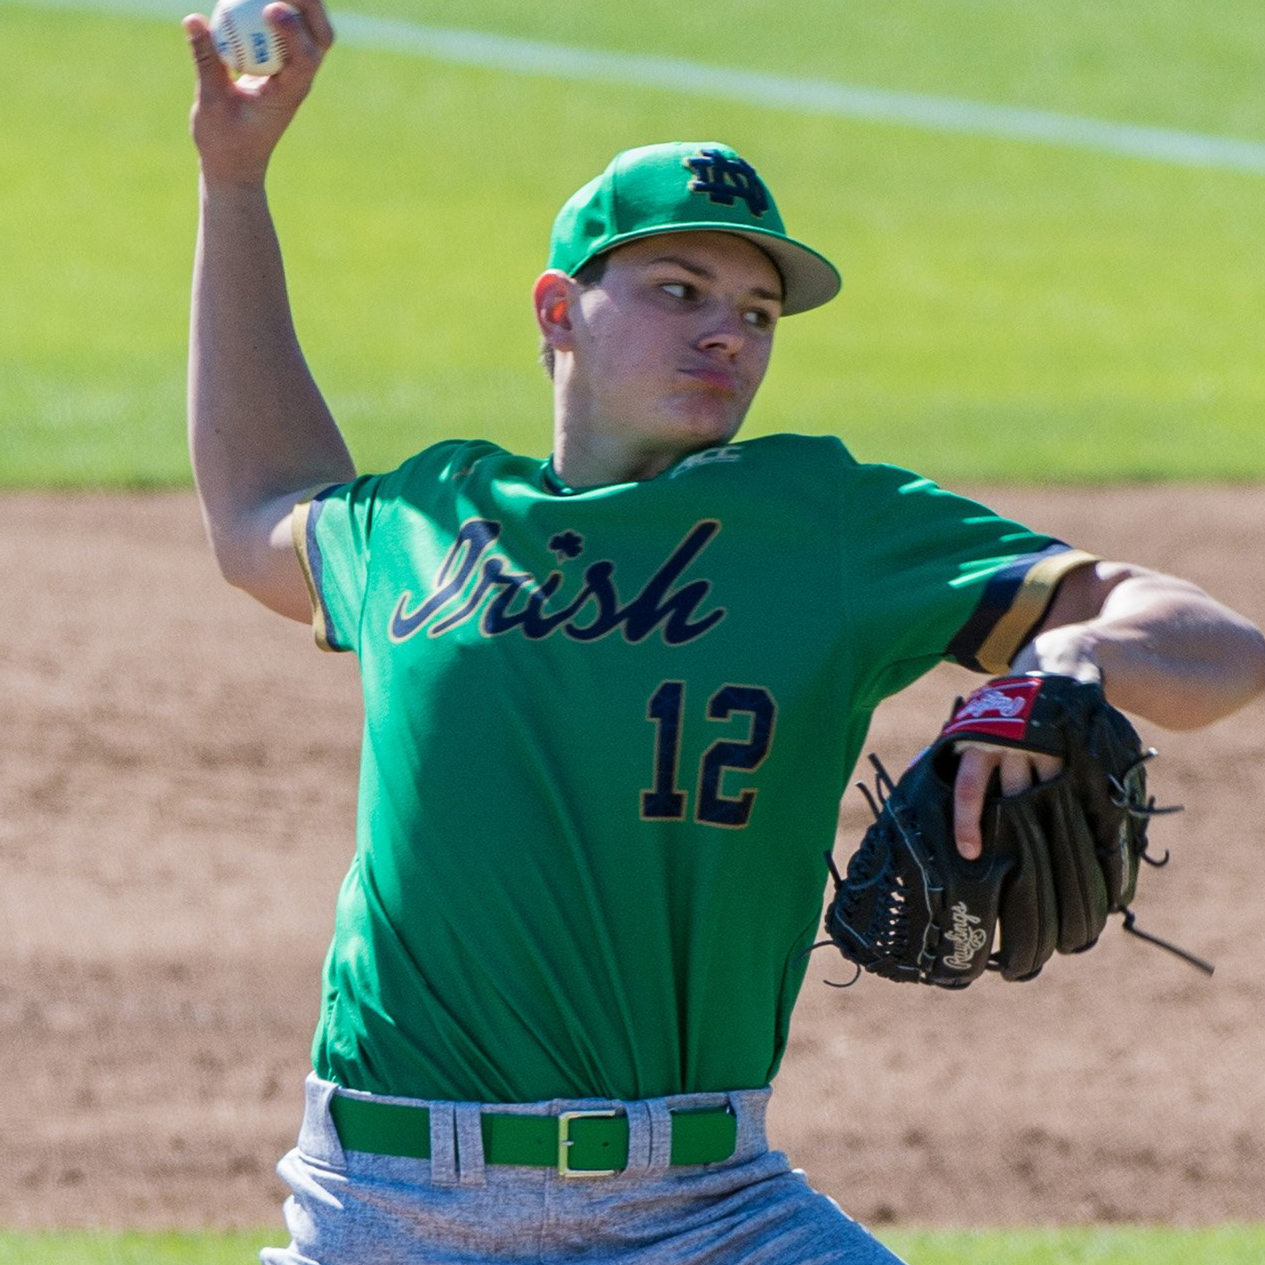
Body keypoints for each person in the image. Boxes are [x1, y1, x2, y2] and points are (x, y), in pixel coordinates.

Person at [183, 4, 1265, 1262]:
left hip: (706, 1211)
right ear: (557, 310)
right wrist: (235, 180)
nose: (726, 331)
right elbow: (258, 507)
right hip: (384, 1206)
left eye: (757, 311)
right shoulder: (429, 518)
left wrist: (1074, 658)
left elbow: (1216, 642)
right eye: (679, 288)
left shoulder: (823, 522)